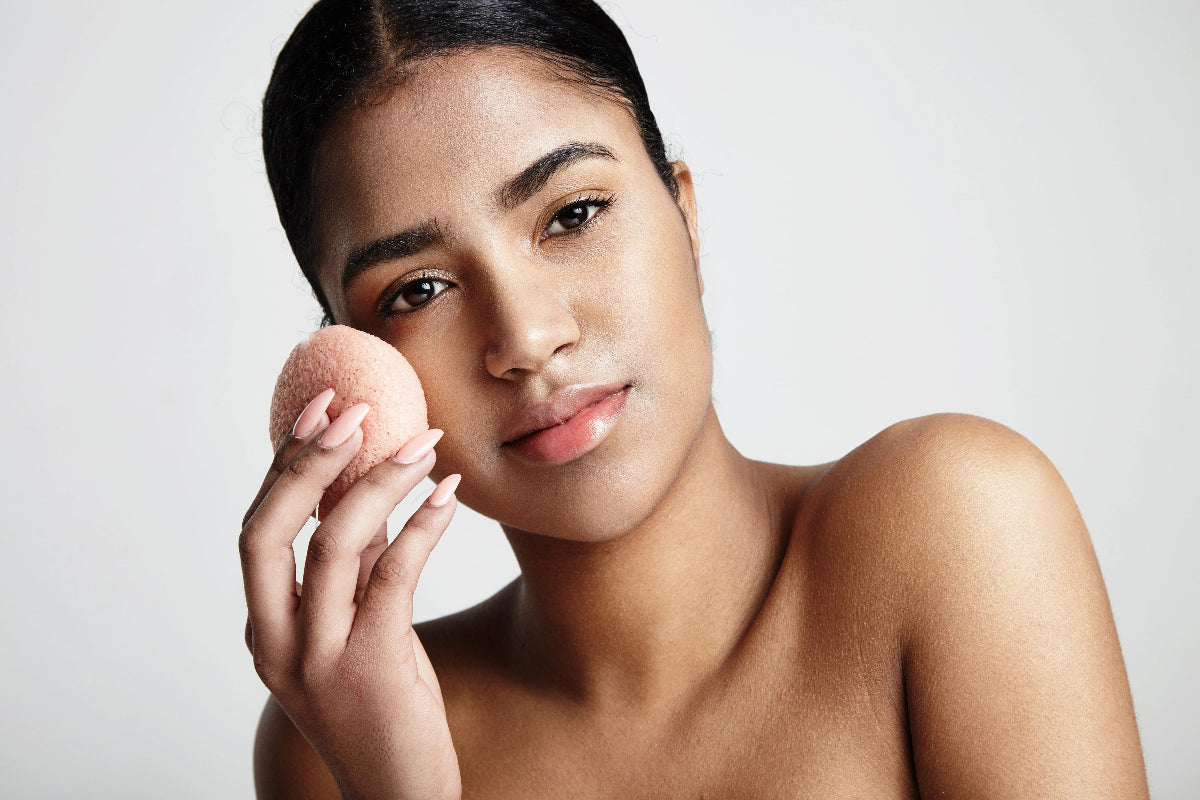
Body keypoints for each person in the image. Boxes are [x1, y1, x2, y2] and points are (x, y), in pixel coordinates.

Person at [238, 1, 1150, 797]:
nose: (525, 338)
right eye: (418, 290)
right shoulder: (340, 735)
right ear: (347, 362)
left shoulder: (956, 521)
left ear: (686, 214)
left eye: (573, 213)